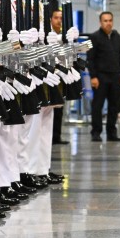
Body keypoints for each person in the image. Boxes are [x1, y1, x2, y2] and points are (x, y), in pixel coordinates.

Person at [86, 11, 120, 142]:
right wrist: (93, 76)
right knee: (97, 106)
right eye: (105, 21)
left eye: (110, 20)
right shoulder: (93, 37)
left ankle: (111, 133)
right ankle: (96, 132)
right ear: (100, 22)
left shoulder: (117, 36)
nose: (108, 23)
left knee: (114, 106)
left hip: (115, 77)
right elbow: (90, 59)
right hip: (100, 77)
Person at [50, 8, 70, 145]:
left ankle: (56, 136)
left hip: (62, 75)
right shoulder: (46, 35)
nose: (59, 21)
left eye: (61, 18)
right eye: (56, 17)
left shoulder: (65, 36)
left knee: (59, 107)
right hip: (49, 76)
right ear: (51, 19)